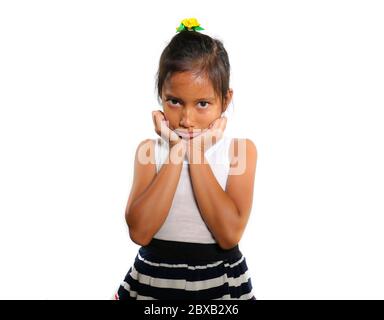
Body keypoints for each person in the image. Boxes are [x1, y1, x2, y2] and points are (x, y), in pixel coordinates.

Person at [114, 18, 258, 300]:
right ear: (161, 97)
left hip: (218, 279)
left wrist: (195, 152)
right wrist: (177, 151)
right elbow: (140, 232)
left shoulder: (240, 151)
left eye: (202, 104)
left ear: (225, 101)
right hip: (154, 279)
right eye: (174, 101)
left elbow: (229, 234)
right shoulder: (149, 151)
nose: (187, 120)